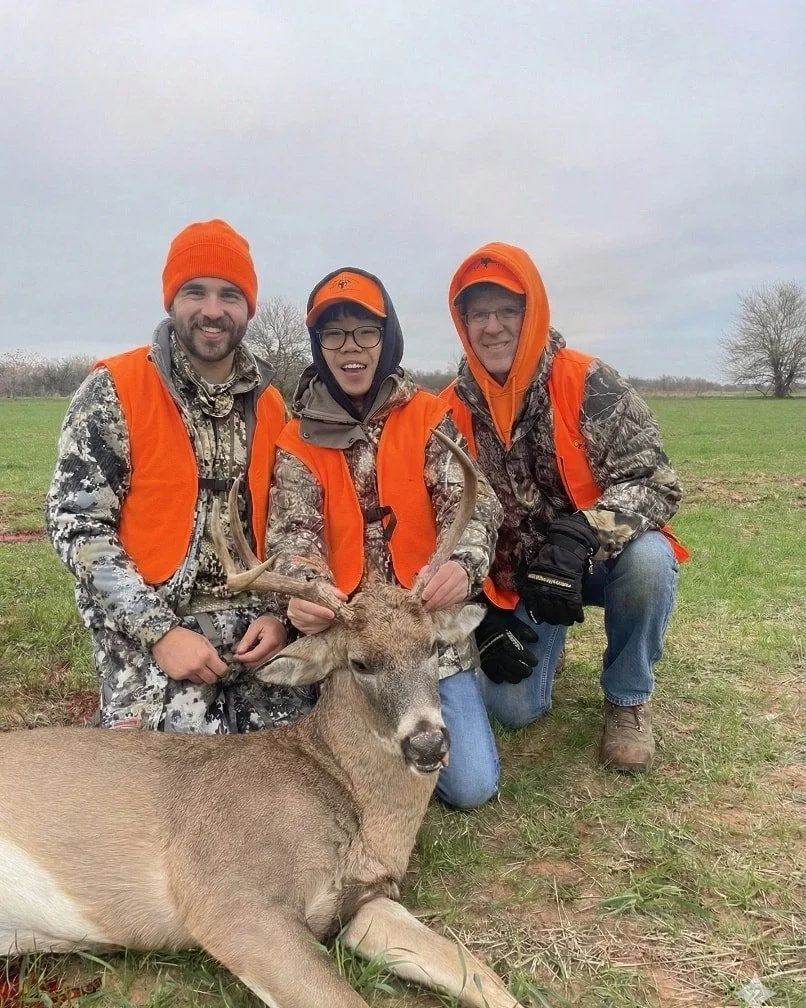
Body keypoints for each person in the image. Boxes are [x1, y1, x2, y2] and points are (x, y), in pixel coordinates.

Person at [45, 219, 313, 733]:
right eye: (196, 292)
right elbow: (76, 526)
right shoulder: (115, 391)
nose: (213, 311)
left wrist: (279, 617)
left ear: (248, 309)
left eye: (230, 295)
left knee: (297, 768)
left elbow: (287, 529)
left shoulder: (272, 407)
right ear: (172, 301)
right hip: (150, 625)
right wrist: (160, 632)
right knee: (168, 781)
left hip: (251, 626)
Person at [441, 242, 689, 773]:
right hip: (518, 583)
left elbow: (657, 480)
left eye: (507, 310)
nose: (493, 326)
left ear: (532, 314)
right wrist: (481, 619)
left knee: (648, 563)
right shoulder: (447, 411)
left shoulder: (587, 381)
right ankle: (538, 638)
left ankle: (627, 699)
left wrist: (582, 534)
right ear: (462, 323)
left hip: (593, 560)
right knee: (512, 711)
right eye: (478, 313)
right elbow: (441, 523)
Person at [264, 267, 505, 808]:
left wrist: (462, 567)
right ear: (318, 345)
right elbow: (293, 534)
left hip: (426, 634)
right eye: (334, 333)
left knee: (470, 787)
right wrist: (305, 594)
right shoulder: (296, 439)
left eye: (365, 331)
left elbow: (476, 506)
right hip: (353, 645)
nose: (351, 348)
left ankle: (467, 695)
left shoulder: (428, 415)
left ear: (387, 337)